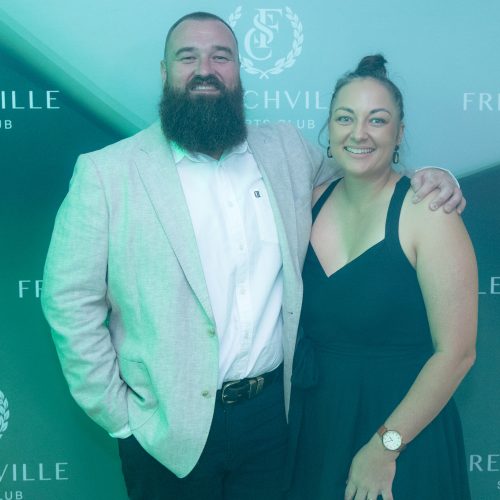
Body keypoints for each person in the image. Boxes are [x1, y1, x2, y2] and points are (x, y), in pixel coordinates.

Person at [41, 12, 465, 500]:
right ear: (164, 72)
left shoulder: (285, 149)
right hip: (165, 433)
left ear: (239, 71)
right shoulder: (107, 174)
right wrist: (121, 419)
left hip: (275, 424)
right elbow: (68, 301)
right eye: (188, 57)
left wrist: (435, 176)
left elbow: (363, 170)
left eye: (220, 57)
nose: (205, 69)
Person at [286, 55, 477, 500]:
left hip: (404, 438)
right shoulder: (305, 204)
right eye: (345, 118)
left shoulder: (429, 212)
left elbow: (457, 353)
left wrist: (385, 447)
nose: (359, 133)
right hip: (317, 432)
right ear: (329, 128)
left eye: (377, 120)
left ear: (399, 134)